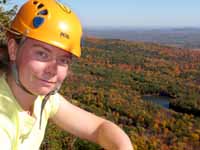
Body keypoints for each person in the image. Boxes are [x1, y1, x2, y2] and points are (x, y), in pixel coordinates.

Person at [0, 0, 133, 149]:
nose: (53, 69)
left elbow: (99, 128)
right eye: (42, 54)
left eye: (63, 60)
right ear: (13, 50)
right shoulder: (3, 120)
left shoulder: (42, 98)